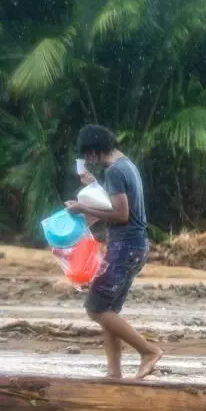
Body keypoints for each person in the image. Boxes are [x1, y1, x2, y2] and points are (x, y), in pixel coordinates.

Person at [64, 124, 163, 379]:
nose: (87, 159)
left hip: (124, 246)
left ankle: (148, 351)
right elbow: (118, 203)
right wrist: (94, 186)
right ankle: (114, 372)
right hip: (135, 246)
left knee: (96, 309)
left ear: (96, 150)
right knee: (108, 309)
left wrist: (81, 208)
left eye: (88, 154)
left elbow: (121, 214)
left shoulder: (115, 171)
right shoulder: (126, 165)